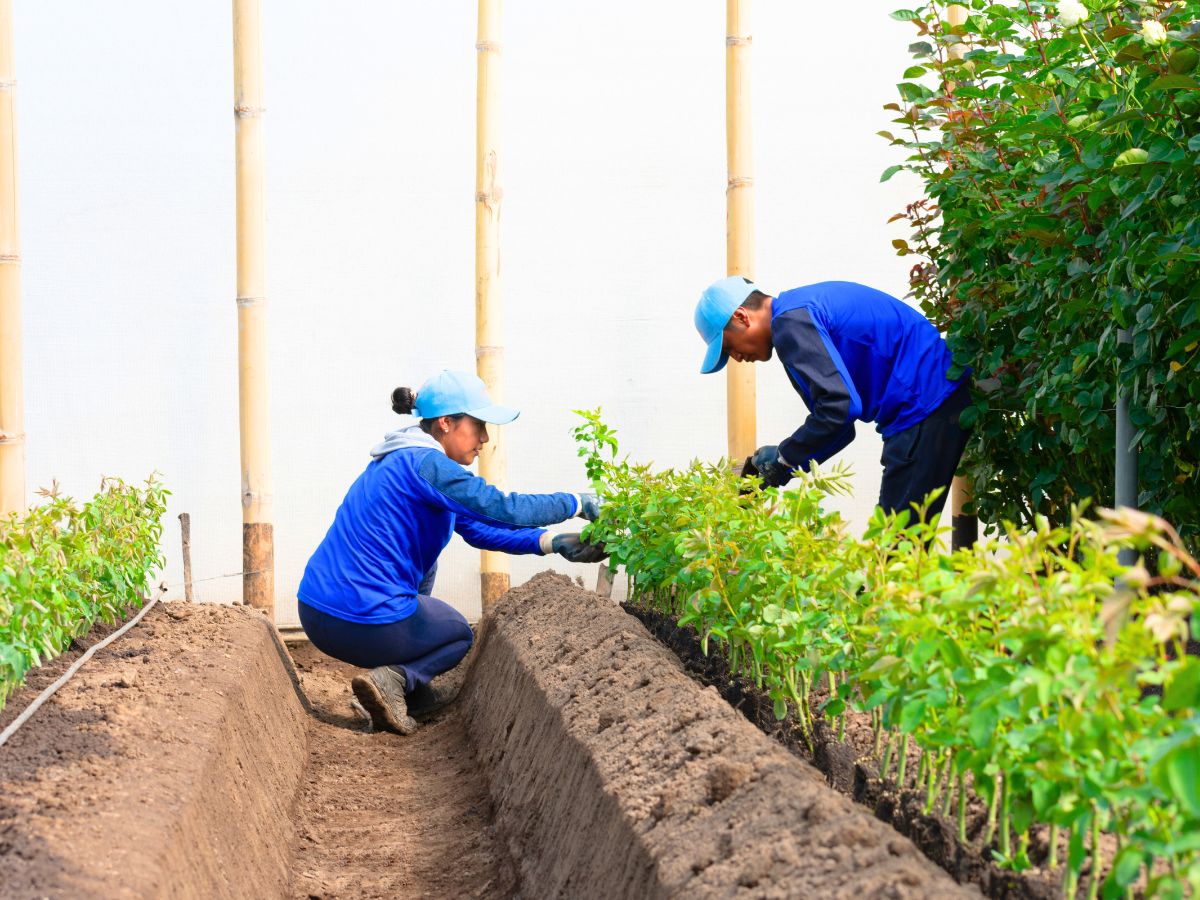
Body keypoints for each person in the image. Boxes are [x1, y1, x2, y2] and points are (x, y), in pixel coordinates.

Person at [298, 369, 606, 735]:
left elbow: (476, 528)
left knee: (424, 567)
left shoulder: (398, 461)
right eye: (478, 425)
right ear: (446, 423)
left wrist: (549, 543)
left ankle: (407, 687)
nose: (485, 438)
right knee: (458, 633)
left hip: (317, 614)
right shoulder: (428, 465)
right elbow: (500, 507)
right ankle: (395, 680)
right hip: (363, 621)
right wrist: (575, 502)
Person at [694, 277, 971, 522]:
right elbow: (839, 426)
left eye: (729, 347)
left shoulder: (790, 324)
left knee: (897, 549)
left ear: (742, 317)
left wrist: (783, 458)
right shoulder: (798, 310)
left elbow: (839, 408)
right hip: (933, 400)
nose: (737, 358)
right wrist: (785, 463)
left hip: (924, 404)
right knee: (901, 544)